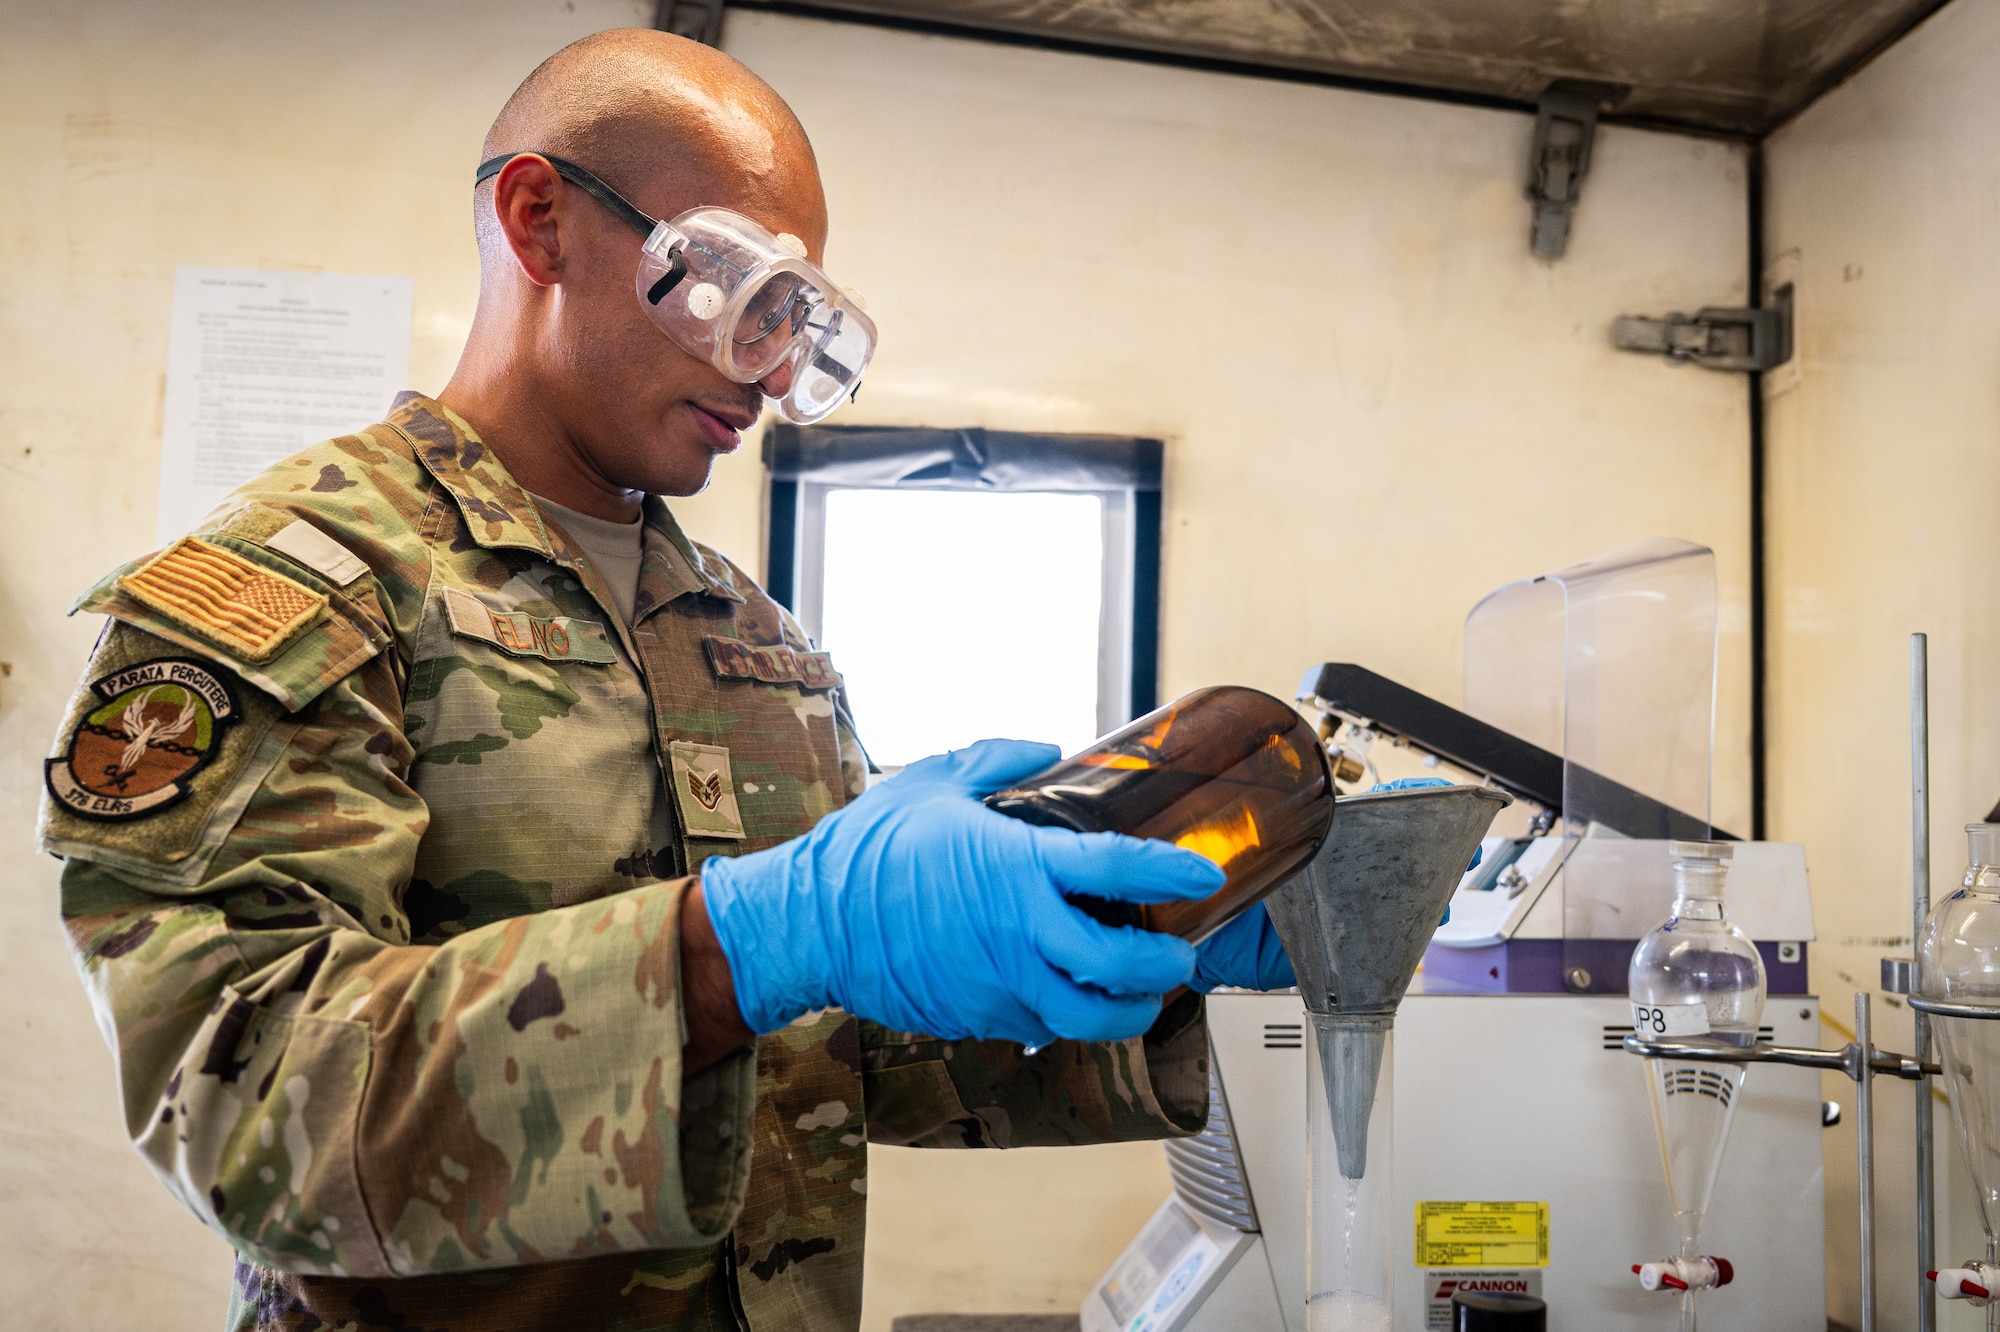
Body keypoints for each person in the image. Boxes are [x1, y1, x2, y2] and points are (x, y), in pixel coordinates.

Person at [38, 28, 1293, 1332]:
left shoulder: (740, 630)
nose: (762, 367)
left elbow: (836, 1059)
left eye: (796, 321)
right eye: (735, 286)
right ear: (540, 222)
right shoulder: (298, 590)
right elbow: (252, 1111)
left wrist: (1168, 961)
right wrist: (738, 945)